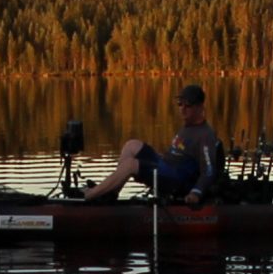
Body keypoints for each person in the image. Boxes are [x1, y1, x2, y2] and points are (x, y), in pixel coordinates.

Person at [83, 83, 228, 204]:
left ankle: (89, 196)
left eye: (187, 105)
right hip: (165, 166)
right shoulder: (188, 125)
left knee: (131, 165)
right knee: (131, 145)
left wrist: (196, 193)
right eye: (180, 104)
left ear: (199, 107)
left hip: (176, 180)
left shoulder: (205, 135)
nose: (182, 109)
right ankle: (112, 193)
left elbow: (208, 171)